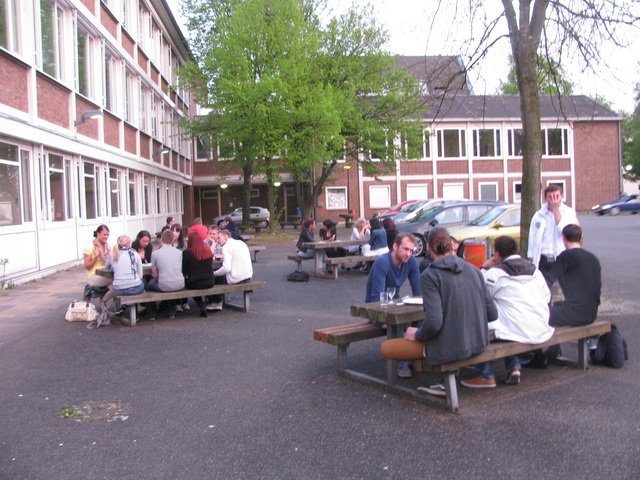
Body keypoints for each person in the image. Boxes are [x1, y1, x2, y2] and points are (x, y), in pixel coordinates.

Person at [380, 227, 497, 394]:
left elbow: (434, 322)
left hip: (449, 347)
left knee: (387, 348)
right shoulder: (474, 271)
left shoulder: (430, 275)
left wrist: (417, 334)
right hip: (479, 342)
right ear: (451, 245)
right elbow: (492, 313)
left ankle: (438, 383)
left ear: (428, 248)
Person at [460, 236, 553, 388]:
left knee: (482, 325)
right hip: (541, 327)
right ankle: (514, 367)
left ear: (497, 255)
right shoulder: (535, 271)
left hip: (515, 328)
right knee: (508, 319)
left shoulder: (495, 274)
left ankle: (486, 374)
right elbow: (547, 296)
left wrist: (483, 267)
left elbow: (478, 295)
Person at [547, 224, 602, 327]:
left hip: (575, 313)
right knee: (558, 305)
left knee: (539, 315)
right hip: (591, 312)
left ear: (563, 238)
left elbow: (547, 280)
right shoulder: (593, 258)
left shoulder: (566, 256)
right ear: (580, 238)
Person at [528, 184, 578, 286]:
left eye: (556, 196)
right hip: (543, 259)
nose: (553, 200)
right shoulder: (539, 215)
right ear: (545, 198)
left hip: (562, 257)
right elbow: (532, 236)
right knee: (543, 287)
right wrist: (531, 256)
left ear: (561, 197)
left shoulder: (568, 212)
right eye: (550, 197)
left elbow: (567, 232)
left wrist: (556, 211)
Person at [209, 229, 253, 310]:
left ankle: (216, 301)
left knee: (211, 279)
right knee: (219, 277)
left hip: (236, 278)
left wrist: (214, 274)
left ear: (226, 237)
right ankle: (218, 301)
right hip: (247, 276)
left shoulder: (226, 246)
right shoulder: (241, 243)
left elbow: (226, 268)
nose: (218, 240)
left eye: (219, 238)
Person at [147, 230, 185, 319]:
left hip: (164, 285)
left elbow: (155, 275)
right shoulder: (179, 253)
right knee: (169, 284)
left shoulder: (155, 254)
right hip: (180, 284)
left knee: (149, 285)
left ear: (161, 239)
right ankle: (171, 312)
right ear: (173, 240)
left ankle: (152, 313)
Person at [182, 231, 215, 318]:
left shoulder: (187, 253)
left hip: (194, 283)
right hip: (210, 281)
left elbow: (184, 270)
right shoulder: (208, 251)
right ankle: (208, 303)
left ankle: (201, 305)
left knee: (189, 285)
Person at [82, 224, 112, 301]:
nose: (106, 237)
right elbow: (87, 267)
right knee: (118, 279)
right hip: (94, 275)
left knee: (118, 287)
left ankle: (103, 302)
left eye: (107, 235)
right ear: (98, 234)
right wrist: (96, 256)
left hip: (107, 274)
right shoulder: (89, 247)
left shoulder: (108, 247)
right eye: (104, 234)